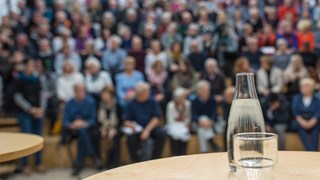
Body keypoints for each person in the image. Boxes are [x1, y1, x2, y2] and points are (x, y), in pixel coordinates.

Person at [13, 59, 46, 175]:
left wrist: (41, 108)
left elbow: (43, 94)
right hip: (25, 113)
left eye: (34, 65)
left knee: (39, 138)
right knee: (26, 139)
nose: (33, 67)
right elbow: (18, 97)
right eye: (31, 65)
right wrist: (30, 109)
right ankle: (25, 165)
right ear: (25, 66)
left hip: (38, 113)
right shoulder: (19, 80)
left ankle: (38, 163)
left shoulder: (37, 79)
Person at [63, 83, 102, 175]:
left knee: (82, 133)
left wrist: (84, 123)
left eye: (82, 91)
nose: (81, 93)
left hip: (88, 128)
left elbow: (93, 119)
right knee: (81, 132)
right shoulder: (69, 103)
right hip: (73, 129)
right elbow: (65, 121)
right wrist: (72, 125)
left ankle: (79, 164)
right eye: (79, 91)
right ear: (75, 92)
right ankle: (93, 155)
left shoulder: (91, 101)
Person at [124, 82, 166, 162]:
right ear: (139, 94)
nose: (149, 93)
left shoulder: (152, 101)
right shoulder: (131, 104)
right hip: (137, 128)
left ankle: (155, 159)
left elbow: (156, 118)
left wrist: (147, 130)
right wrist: (131, 125)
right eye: (146, 92)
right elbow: (126, 120)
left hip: (150, 127)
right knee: (130, 139)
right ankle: (135, 161)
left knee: (162, 134)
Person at [292, 78, 320, 151]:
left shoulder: (316, 99)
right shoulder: (296, 98)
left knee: (315, 132)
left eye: (306, 86)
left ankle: (313, 151)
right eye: (302, 86)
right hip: (300, 122)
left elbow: (318, 111)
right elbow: (295, 112)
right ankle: (311, 151)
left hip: (314, 122)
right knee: (302, 131)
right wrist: (302, 122)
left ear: (311, 87)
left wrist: (312, 122)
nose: (303, 88)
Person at [191, 80, 220, 153]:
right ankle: (212, 142)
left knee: (201, 131)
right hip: (197, 124)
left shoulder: (212, 100)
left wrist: (211, 121)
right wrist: (200, 122)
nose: (207, 92)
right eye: (204, 91)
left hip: (210, 124)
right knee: (203, 118)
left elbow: (214, 114)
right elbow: (193, 116)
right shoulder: (194, 101)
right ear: (199, 91)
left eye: (207, 90)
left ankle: (204, 151)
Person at [98, 86, 120, 168]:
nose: (104, 96)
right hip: (103, 127)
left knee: (115, 136)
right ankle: (102, 161)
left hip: (115, 127)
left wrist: (114, 129)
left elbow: (120, 120)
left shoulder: (116, 104)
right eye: (103, 94)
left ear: (111, 95)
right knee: (97, 135)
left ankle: (115, 162)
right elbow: (98, 121)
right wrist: (101, 129)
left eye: (106, 94)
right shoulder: (100, 105)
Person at [166, 88, 191, 156]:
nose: (182, 99)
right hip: (173, 125)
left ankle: (183, 154)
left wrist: (185, 123)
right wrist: (178, 120)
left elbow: (188, 117)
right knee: (174, 133)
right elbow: (170, 119)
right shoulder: (170, 105)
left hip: (183, 124)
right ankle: (174, 153)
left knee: (185, 132)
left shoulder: (187, 104)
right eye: (181, 97)